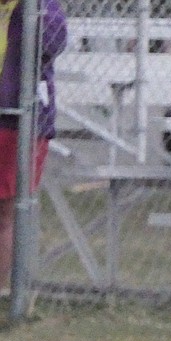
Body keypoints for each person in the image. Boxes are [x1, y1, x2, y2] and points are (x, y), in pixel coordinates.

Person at [1, 0, 67, 295]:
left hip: (17, 121)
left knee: (5, 212)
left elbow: (53, 43)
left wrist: (33, 13)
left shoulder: (40, 6)